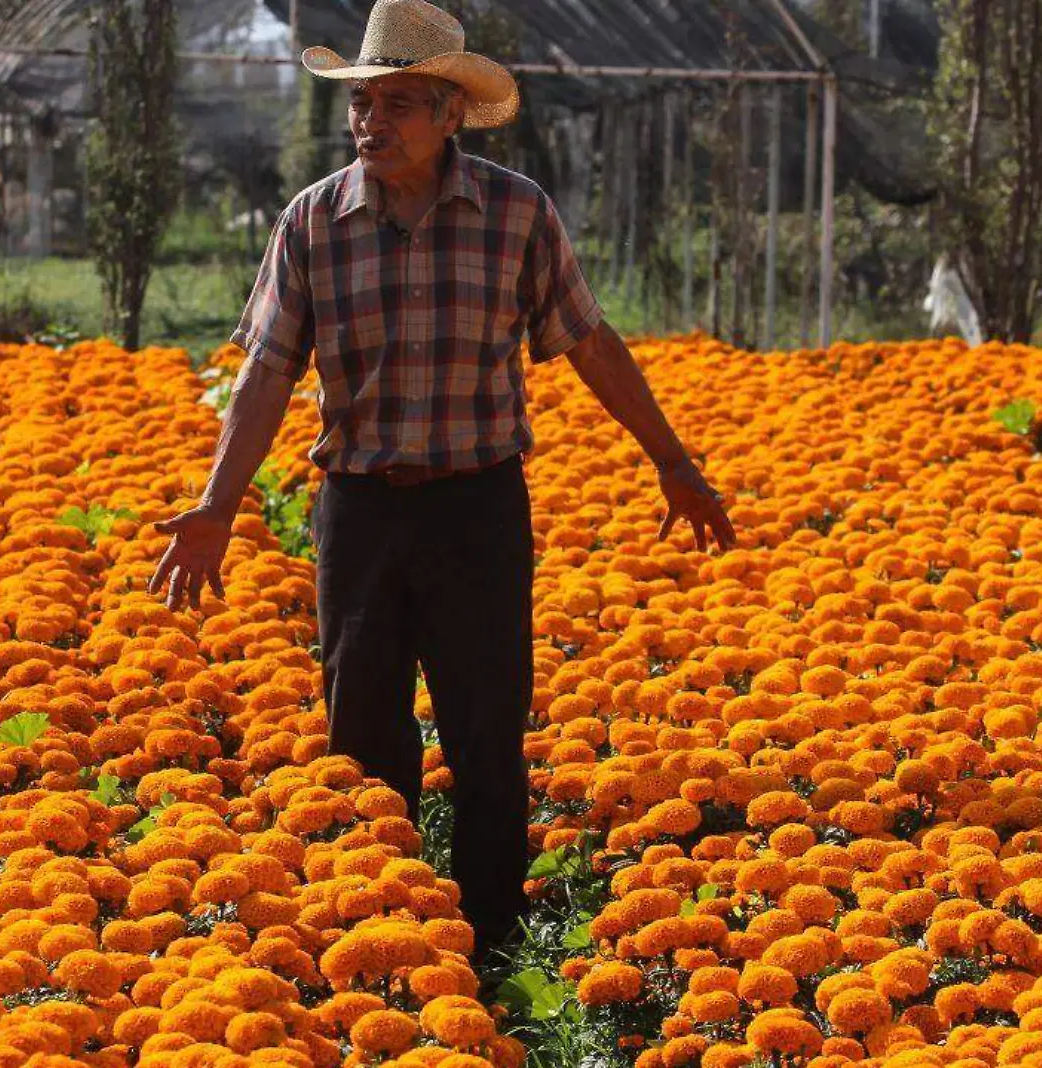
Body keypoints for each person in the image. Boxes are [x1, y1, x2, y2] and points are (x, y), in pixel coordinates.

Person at [148, 0, 737, 974]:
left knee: (486, 734)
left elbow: (586, 342)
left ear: (450, 114)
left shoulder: (515, 214)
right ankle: (379, 940)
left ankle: (493, 950)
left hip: (477, 509)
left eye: (397, 105)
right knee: (362, 739)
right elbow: (263, 373)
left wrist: (670, 458)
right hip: (362, 512)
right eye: (362, 105)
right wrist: (216, 505)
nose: (370, 124)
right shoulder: (312, 222)